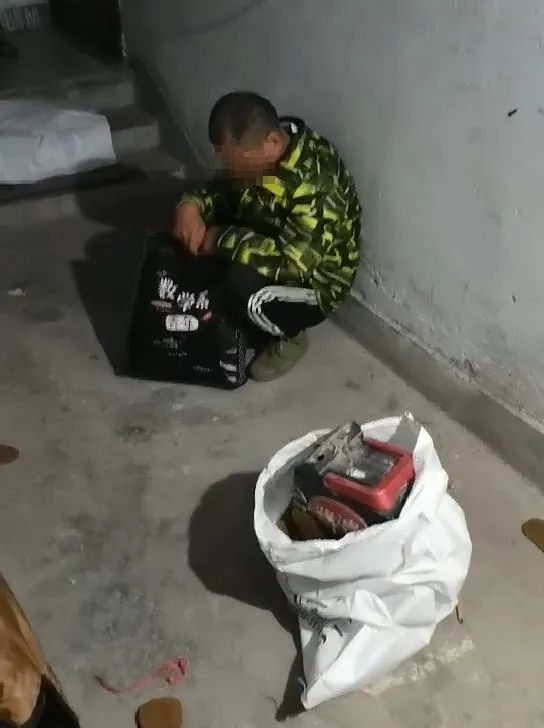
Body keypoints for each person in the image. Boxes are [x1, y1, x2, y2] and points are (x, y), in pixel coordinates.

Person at [174, 92, 361, 382]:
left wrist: (221, 239)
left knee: (240, 286)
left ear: (272, 142)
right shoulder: (259, 150)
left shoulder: (316, 186)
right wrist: (190, 205)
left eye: (239, 165)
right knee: (196, 223)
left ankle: (291, 337)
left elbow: (292, 265)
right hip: (269, 236)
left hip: (315, 282)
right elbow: (224, 189)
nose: (234, 172)